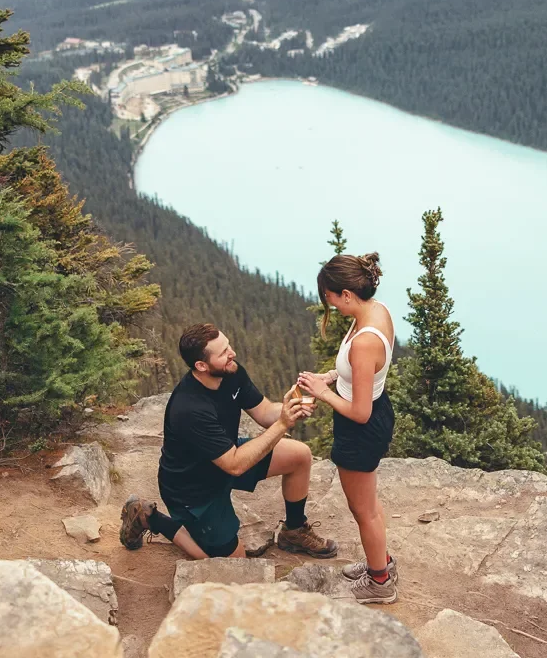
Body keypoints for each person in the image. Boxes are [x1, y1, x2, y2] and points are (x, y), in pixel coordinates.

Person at [120, 323, 339, 561]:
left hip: (226, 454)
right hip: (194, 490)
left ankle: (294, 530)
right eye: (223, 352)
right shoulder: (190, 409)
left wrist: (293, 405)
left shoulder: (230, 372)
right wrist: (283, 424)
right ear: (201, 366)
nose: (232, 353)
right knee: (231, 564)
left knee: (299, 456)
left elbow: (265, 412)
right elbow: (235, 465)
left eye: (228, 345)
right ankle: (150, 518)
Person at [296, 252, 398, 604]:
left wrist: (322, 393)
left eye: (331, 299)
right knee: (369, 503)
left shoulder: (364, 340)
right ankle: (379, 562)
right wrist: (330, 376)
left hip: (361, 428)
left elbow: (360, 412)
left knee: (363, 510)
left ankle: (380, 583)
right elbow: (362, 374)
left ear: (347, 295)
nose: (332, 306)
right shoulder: (376, 311)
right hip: (376, 411)